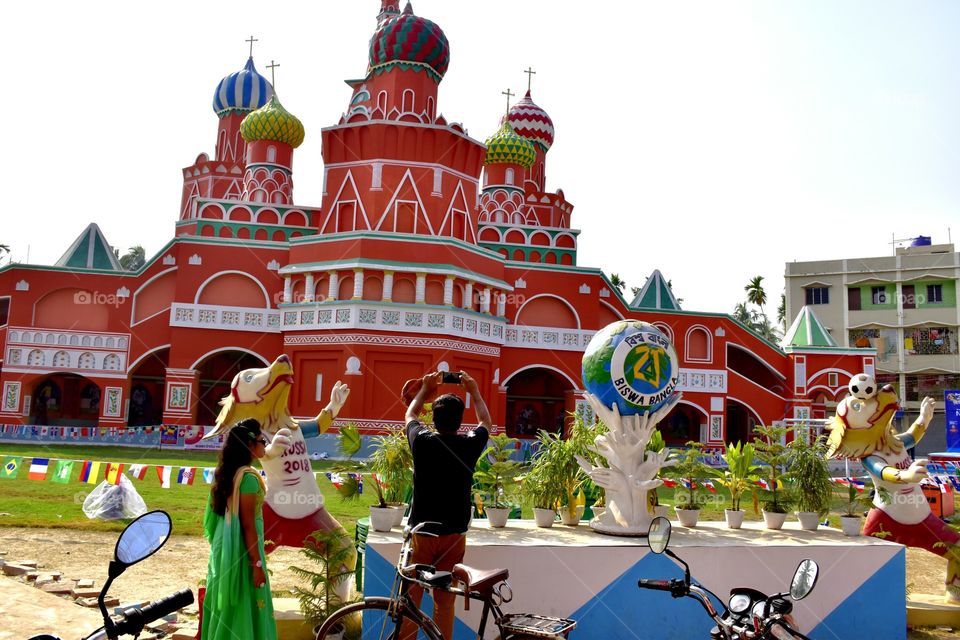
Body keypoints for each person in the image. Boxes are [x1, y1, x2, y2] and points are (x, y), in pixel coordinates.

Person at [402, 371, 491, 640]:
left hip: (423, 534)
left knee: (411, 603)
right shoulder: (469, 445)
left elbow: (410, 416)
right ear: (460, 421)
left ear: (434, 418)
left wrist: (425, 387)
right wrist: (474, 391)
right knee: (445, 603)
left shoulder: (423, 442)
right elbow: (485, 421)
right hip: (453, 537)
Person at [201, 418, 276, 640]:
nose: (265, 445)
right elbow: (247, 524)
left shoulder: (228, 473)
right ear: (250, 445)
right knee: (245, 600)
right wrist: (257, 564)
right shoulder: (249, 479)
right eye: (263, 440)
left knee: (229, 604)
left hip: (227, 549)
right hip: (244, 552)